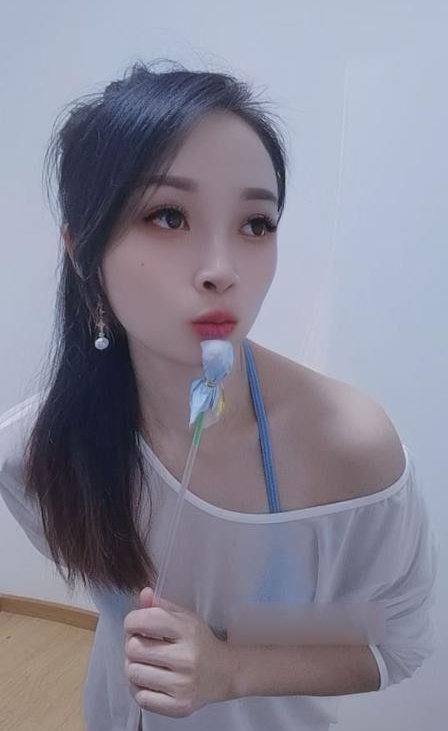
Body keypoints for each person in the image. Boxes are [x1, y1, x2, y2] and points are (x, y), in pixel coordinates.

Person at [0, 59, 438, 731]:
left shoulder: (348, 450)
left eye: (255, 224)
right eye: (168, 215)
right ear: (82, 253)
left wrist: (231, 667)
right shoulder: (38, 449)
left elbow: (396, 644)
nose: (222, 270)